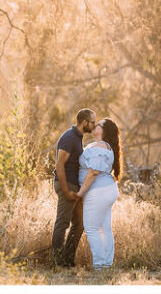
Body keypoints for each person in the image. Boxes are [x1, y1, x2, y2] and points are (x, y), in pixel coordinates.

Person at [51, 108, 95, 267]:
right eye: (92, 122)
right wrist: (66, 190)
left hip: (74, 186)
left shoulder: (77, 138)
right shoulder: (69, 138)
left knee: (80, 223)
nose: (94, 125)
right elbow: (59, 164)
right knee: (62, 222)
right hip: (66, 184)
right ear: (84, 122)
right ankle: (56, 263)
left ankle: (67, 261)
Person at [76, 117, 121, 270]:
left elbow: (94, 171)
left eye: (100, 124)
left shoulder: (101, 145)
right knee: (104, 228)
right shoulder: (97, 146)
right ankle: (106, 264)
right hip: (106, 190)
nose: (96, 125)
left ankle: (100, 265)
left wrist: (81, 192)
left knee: (91, 228)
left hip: (98, 191)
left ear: (106, 130)